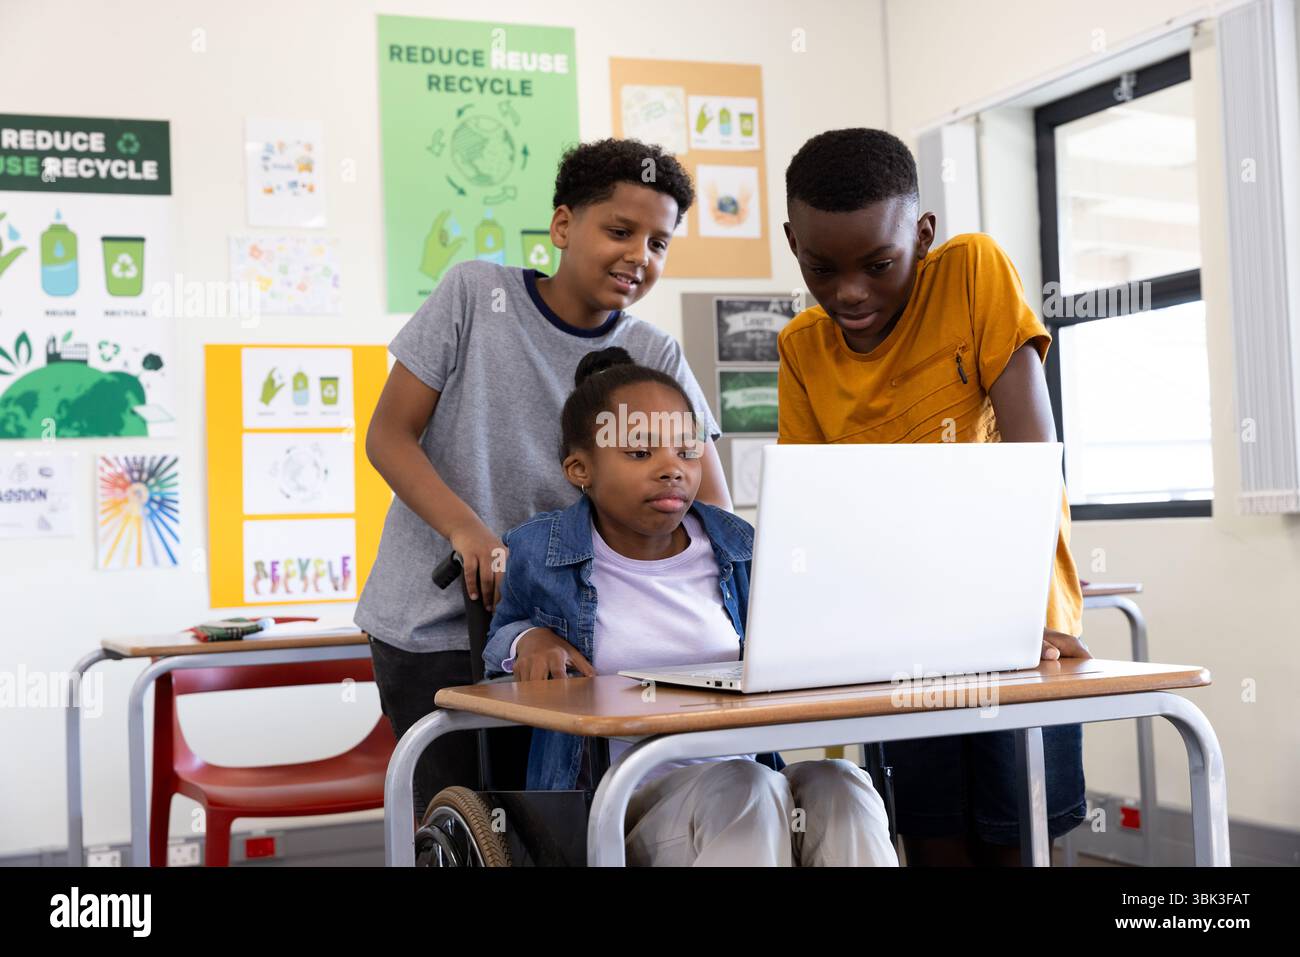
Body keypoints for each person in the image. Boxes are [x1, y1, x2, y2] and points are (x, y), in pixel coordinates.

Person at [357, 139, 730, 822]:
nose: (638, 256)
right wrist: (467, 528)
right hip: (435, 626)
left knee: (562, 826)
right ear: (563, 227)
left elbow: (712, 509)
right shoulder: (474, 294)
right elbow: (388, 436)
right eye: (619, 231)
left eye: (659, 242)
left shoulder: (655, 352)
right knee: (463, 824)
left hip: (570, 636)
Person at [777, 127, 1090, 866]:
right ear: (793, 242)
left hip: (1018, 623)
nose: (850, 292)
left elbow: (1031, 458)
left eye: (878, 264)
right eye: (822, 268)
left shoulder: (972, 272)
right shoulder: (801, 348)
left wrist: (1028, 618)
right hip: (901, 644)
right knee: (932, 835)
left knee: (1023, 835)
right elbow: (813, 513)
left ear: (922, 235)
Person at [481, 347, 898, 867]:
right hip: (621, 808)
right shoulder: (541, 552)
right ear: (579, 469)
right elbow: (498, 640)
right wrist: (526, 639)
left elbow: (808, 631)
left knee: (841, 783)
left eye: (686, 451)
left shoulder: (739, 546)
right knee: (742, 786)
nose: (671, 470)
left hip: (753, 787)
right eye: (640, 454)